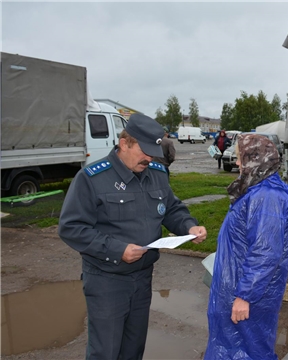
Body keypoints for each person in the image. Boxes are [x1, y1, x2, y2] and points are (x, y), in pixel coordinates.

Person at [58, 113, 207, 360]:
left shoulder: (156, 173)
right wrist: (117, 250)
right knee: (105, 351)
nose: (149, 158)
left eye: (153, 152)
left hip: (142, 278)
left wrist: (188, 227)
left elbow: (171, 208)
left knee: (133, 348)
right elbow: (71, 227)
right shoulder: (92, 178)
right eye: (144, 151)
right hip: (107, 280)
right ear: (124, 143)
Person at [205, 134, 288, 360]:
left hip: (249, 296)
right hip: (239, 288)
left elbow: (266, 252)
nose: (237, 163)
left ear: (256, 159)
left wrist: (245, 296)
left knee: (249, 350)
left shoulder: (267, 198)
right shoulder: (258, 191)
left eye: (240, 158)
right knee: (236, 348)